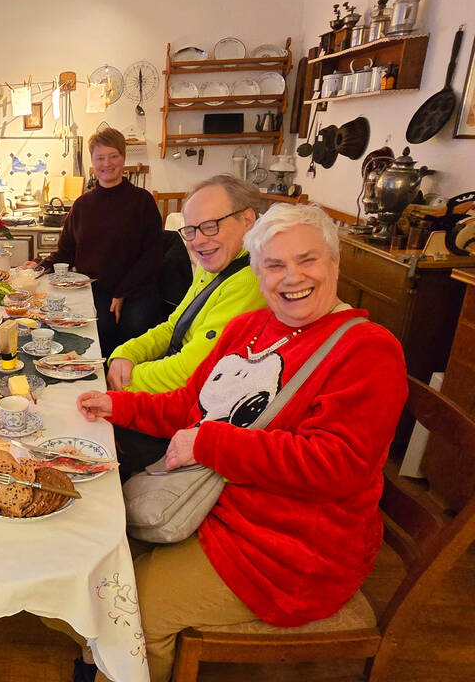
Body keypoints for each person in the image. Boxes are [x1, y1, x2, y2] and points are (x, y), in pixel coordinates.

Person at [75, 203, 408, 682]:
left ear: (335, 263)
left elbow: (338, 465)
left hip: (289, 552)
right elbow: (188, 405)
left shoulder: (367, 350)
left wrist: (209, 444)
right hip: (212, 508)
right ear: (257, 272)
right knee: (94, 557)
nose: (291, 276)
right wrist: (116, 405)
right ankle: (101, 661)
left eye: (307, 260)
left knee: (130, 612)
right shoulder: (249, 328)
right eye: (274, 264)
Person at [106, 175, 267, 473]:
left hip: (193, 422)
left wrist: (121, 384)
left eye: (210, 226)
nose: (198, 241)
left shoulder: (251, 279)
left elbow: (188, 373)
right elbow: (172, 326)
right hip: (175, 404)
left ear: (247, 220)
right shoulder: (219, 265)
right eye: (191, 230)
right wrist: (124, 354)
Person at [24, 128, 164, 358]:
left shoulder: (142, 201)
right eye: (100, 157)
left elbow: (152, 256)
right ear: (93, 162)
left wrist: (122, 293)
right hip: (95, 289)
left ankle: (131, 388)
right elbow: (65, 253)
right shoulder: (82, 205)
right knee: (95, 331)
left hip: (137, 290)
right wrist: (38, 267)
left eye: (113, 156)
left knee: (134, 332)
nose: (107, 163)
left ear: (124, 158)